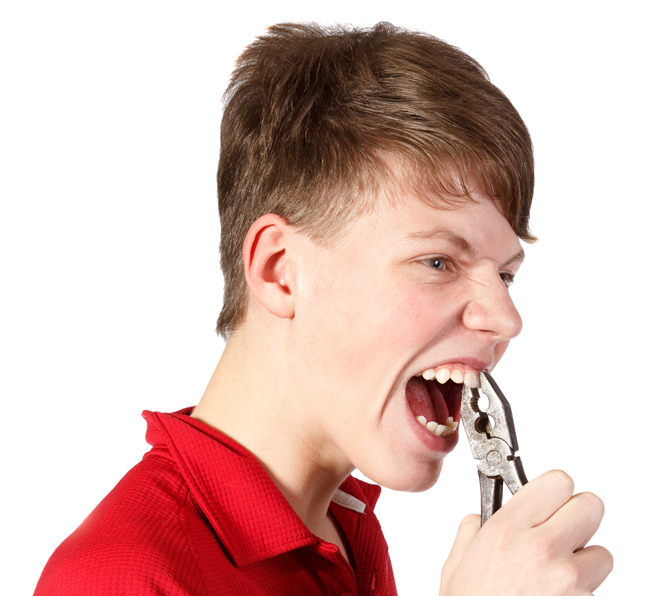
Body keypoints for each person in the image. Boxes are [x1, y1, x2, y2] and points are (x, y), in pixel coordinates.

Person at [34, 22, 612, 595]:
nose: (507, 318)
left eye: (506, 274)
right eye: (438, 261)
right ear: (279, 270)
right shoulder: (117, 578)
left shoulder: (347, 532)